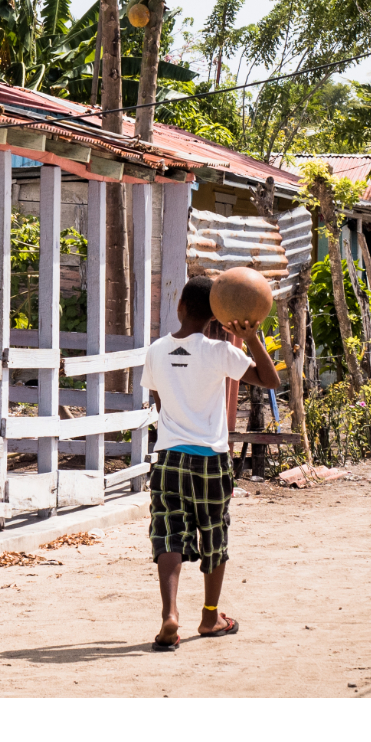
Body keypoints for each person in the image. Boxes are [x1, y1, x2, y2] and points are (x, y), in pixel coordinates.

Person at [142, 278, 283, 650]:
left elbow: (160, 403)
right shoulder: (220, 352)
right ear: (216, 317)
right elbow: (271, 380)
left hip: (169, 458)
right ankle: (209, 616)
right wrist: (251, 337)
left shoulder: (156, 351)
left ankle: (170, 613)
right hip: (211, 458)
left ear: (180, 306)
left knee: (168, 533)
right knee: (214, 533)